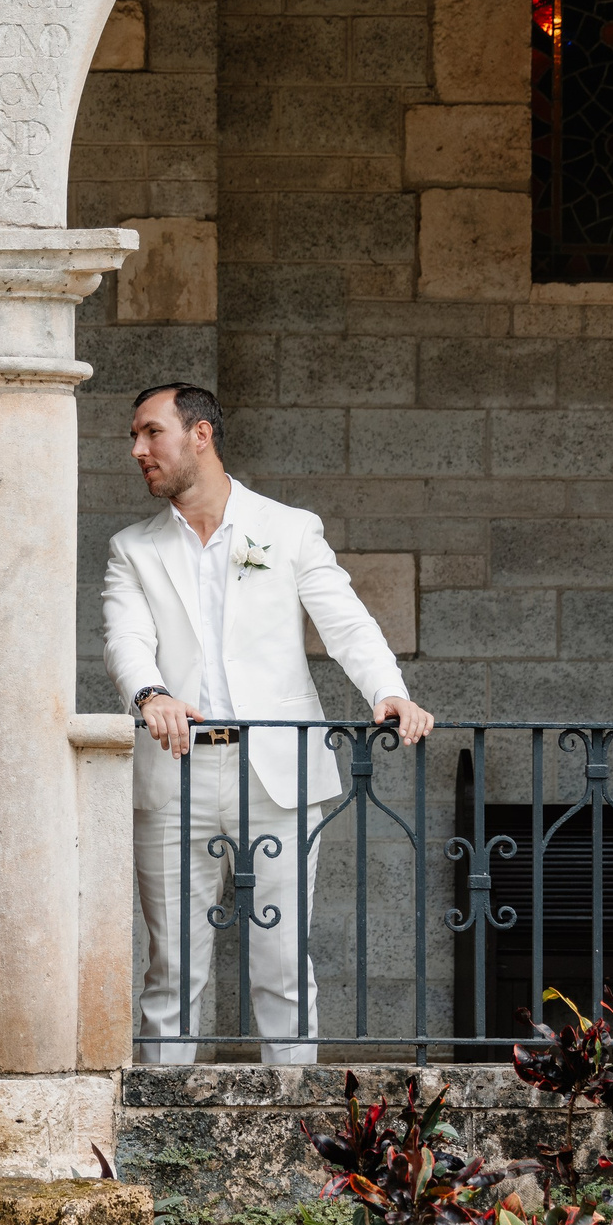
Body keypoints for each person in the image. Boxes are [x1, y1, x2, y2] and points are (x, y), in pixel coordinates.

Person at [101, 383, 432, 1066]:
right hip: (175, 774)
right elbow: (124, 638)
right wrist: (150, 692)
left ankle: (298, 1134)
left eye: (150, 432)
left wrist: (389, 690)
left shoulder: (288, 529)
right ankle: (165, 1132)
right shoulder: (132, 548)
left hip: (278, 774)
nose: (138, 450)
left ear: (200, 435)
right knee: (171, 972)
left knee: (284, 965)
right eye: (134, 436)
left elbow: (344, 621)